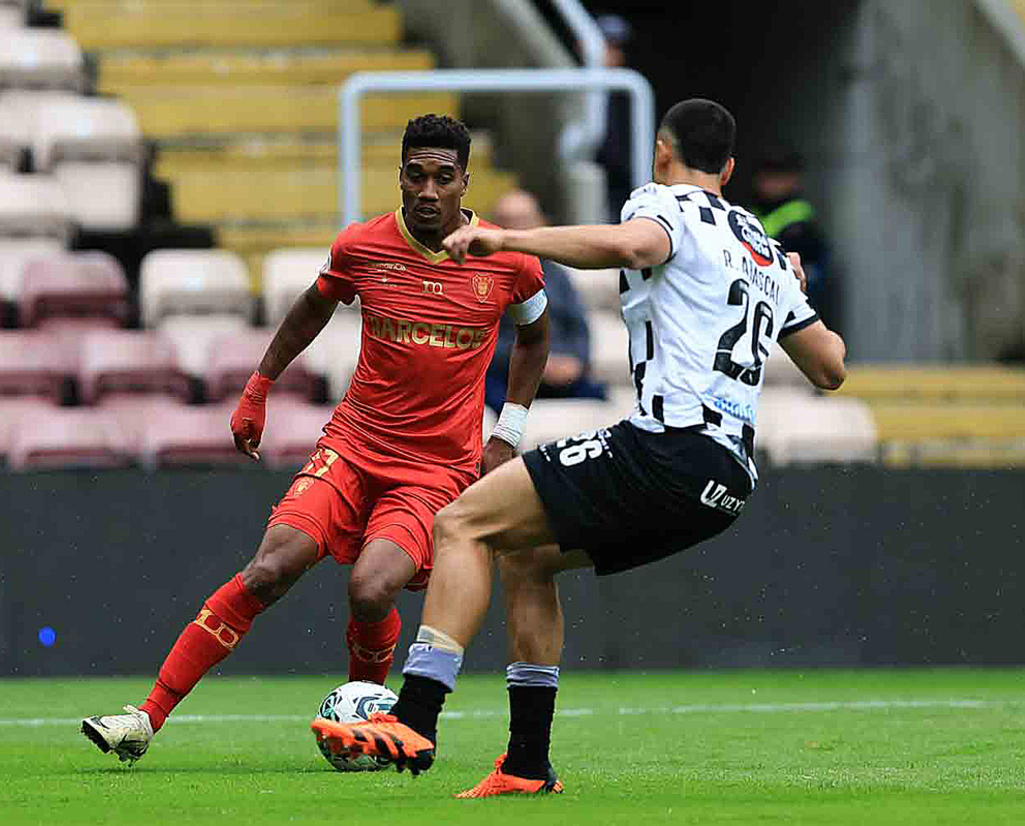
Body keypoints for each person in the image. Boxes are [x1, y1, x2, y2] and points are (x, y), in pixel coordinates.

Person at [311, 99, 847, 796]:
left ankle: (412, 720)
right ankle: (527, 764)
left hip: (667, 445)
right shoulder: (764, 247)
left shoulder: (666, 204)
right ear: (733, 168)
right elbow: (830, 366)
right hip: (727, 482)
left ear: (661, 152)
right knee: (528, 556)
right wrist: (786, 286)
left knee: (461, 521)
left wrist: (506, 240)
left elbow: (633, 247)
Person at [80, 114, 552, 764]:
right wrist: (258, 386)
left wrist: (509, 430)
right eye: (416, 174)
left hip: (435, 469)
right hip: (353, 446)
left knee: (370, 588)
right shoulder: (364, 245)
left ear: (464, 182)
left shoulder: (508, 259)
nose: (427, 189)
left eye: (443, 177)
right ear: (401, 176)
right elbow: (312, 305)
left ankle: (367, 712)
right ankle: (145, 718)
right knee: (270, 568)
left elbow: (535, 335)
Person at [484, 189, 605, 413]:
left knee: (600, 397)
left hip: (561, 373)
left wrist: (576, 362)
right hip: (509, 373)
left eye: (524, 221)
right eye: (507, 222)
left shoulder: (557, 275)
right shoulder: (482, 280)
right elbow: (482, 342)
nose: (517, 229)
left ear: (541, 224)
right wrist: (538, 363)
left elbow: (579, 328)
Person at [749, 145, 835, 326]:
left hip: (788, 317)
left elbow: (810, 279)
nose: (770, 182)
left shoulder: (800, 222)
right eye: (767, 174)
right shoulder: (750, 214)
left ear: (794, 179)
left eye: (778, 175)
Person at [594, 13, 635, 220]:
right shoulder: (569, 85)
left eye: (617, 47)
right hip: (594, 182)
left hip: (620, 187)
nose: (612, 54)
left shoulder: (630, 92)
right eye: (607, 45)